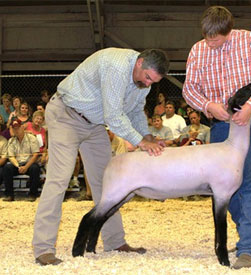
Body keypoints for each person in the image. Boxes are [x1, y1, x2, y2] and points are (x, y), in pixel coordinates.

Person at [32, 47, 169, 266]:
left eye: (154, 81)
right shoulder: (116, 65)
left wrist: (148, 136)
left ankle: (115, 241)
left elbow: (135, 112)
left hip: (94, 124)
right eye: (147, 77)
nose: (149, 84)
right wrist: (140, 142)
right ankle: (43, 248)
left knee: (107, 183)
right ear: (140, 62)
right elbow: (114, 116)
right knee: (59, 180)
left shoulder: (143, 82)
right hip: (66, 114)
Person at [182, 6, 251, 269]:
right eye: (206, 37)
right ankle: (245, 232)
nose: (210, 42)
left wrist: (250, 107)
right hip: (221, 122)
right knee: (224, 184)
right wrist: (208, 106)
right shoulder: (197, 50)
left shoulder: (249, 40)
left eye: (216, 38)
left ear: (228, 30)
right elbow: (189, 89)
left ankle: (249, 246)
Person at [2, 118, 40, 202]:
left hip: (29, 163)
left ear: (22, 127)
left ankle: (33, 194)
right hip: (17, 164)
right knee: (7, 168)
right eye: (14, 128)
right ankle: (9, 194)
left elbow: (35, 155)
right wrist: (18, 166)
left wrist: (26, 167)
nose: (16, 130)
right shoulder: (11, 141)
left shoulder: (31, 138)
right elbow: (11, 156)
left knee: (35, 168)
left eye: (18, 127)